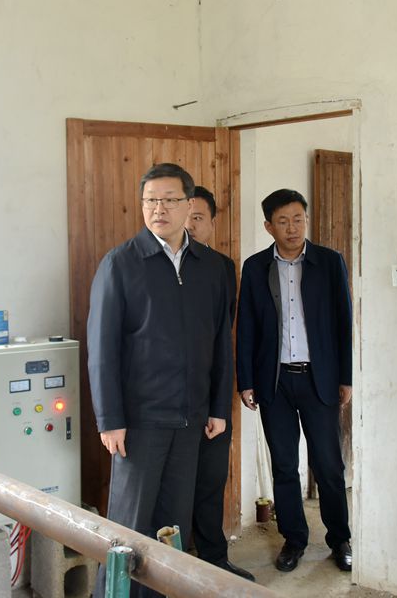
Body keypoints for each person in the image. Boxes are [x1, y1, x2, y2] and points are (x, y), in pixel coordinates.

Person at [87, 163, 233, 597]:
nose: (159, 209)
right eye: (151, 200)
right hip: (139, 422)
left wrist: (218, 408)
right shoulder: (121, 264)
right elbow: (102, 349)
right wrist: (110, 419)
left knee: (172, 527)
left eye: (170, 200)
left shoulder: (211, 267)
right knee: (128, 530)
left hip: (190, 420)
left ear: (189, 205)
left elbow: (220, 343)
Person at [236, 188, 353, 573]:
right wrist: (246, 380)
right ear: (269, 226)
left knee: (329, 465)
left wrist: (346, 377)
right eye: (283, 221)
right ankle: (294, 539)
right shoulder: (255, 267)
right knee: (284, 466)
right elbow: (246, 327)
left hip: (320, 379)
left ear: (306, 220)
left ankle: (340, 539)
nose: (292, 228)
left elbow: (344, 322)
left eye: (298, 219)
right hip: (275, 383)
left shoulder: (329, 262)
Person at [184, 186, 254, 582]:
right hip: (169, 400)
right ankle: (175, 565)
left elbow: (223, 332)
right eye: (185, 216)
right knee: (174, 488)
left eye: (198, 218)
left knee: (211, 480)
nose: (190, 225)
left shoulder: (224, 267)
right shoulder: (155, 265)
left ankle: (214, 558)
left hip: (211, 392)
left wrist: (221, 401)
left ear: (212, 223)